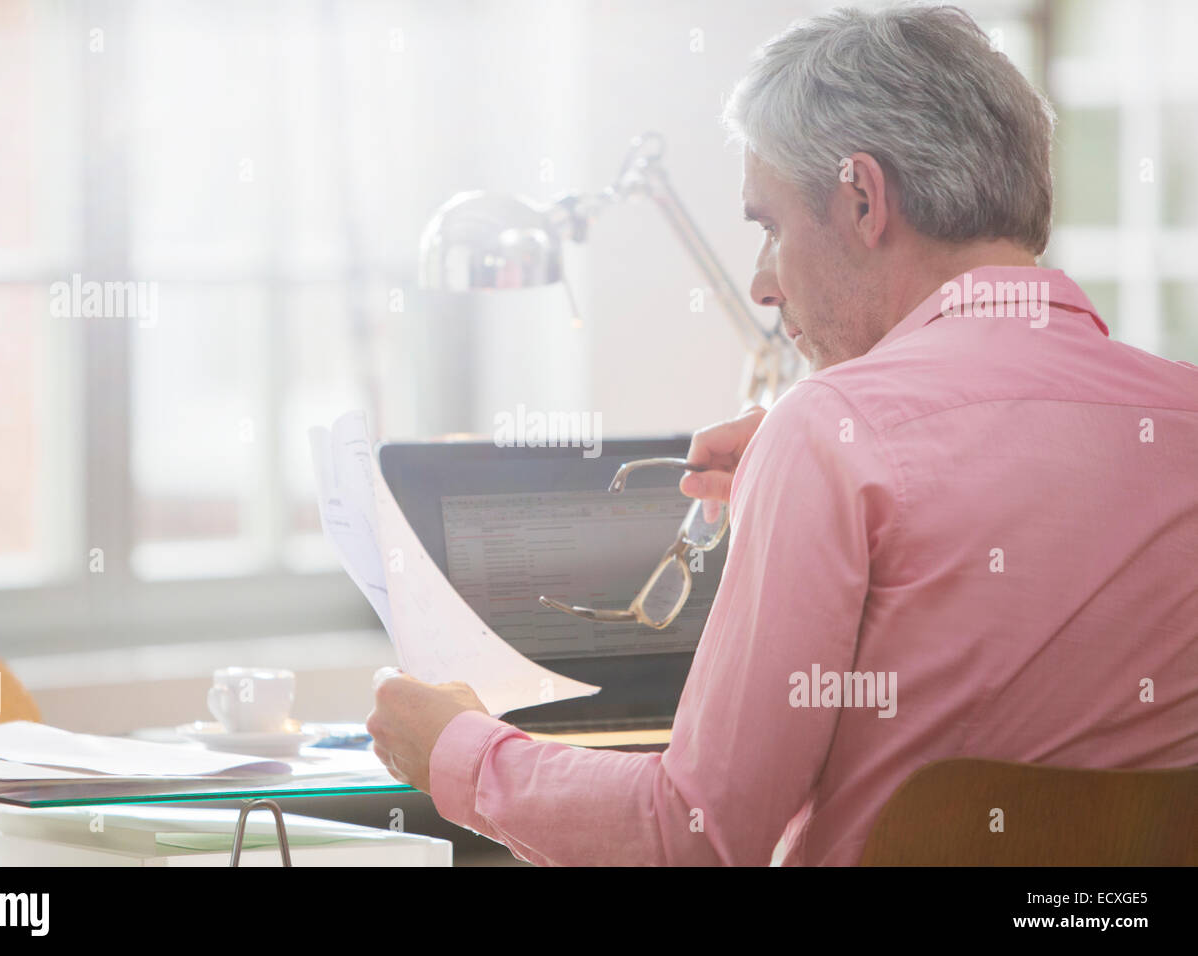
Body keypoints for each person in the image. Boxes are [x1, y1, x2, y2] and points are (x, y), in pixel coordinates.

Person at [365, 3, 1198, 865]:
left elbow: (695, 837)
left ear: (864, 198)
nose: (763, 284)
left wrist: (457, 752)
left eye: (769, 225)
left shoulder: (834, 431)